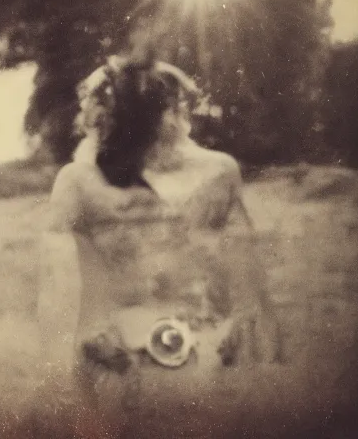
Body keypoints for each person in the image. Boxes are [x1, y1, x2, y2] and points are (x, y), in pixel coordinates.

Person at [36, 51, 279, 437]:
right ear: (175, 112)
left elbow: (60, 291)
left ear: (101, 117)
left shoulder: (78, 182)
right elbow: (247, 279)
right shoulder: (219, 170)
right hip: (188, 350)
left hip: (132, 352)